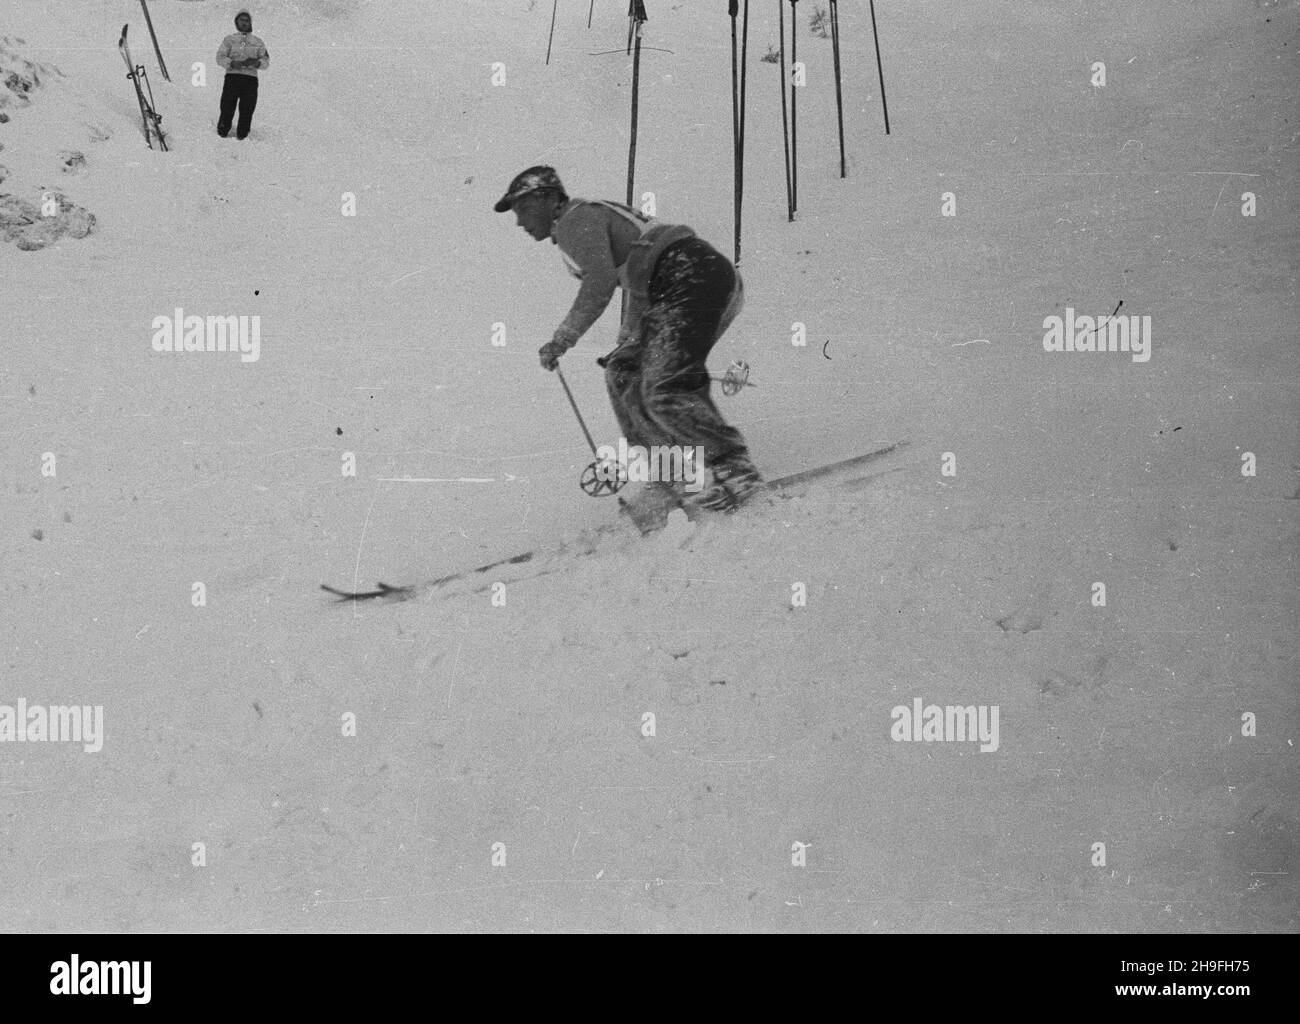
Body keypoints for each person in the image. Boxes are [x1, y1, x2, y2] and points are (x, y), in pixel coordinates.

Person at [494, 166, 763, 519]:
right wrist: (628, 342)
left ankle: (733, 469)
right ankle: (673, 476)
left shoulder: (576, 219)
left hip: (688, 275)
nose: (519, 222)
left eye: (523, 209)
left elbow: (600, 282)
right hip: (687, 279)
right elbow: (638, 280)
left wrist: (563, 338)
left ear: (548, 198)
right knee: (624, 372)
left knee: (664, 386)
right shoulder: (582, 221)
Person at [215, 8, 269, 140]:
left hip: (250, 80)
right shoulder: (229, 40)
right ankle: (222, 132)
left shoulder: (258, 41)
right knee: (227, 105)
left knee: (247, 108)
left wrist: (256, 63)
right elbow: (219, 57)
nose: (245, 23)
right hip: (232, 77)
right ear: (236, 22)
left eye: (247, 20)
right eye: (242, 20)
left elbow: (266, 61)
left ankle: (243, 135)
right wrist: (232, 63)